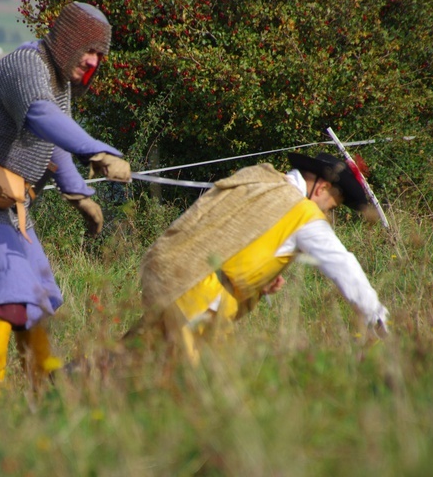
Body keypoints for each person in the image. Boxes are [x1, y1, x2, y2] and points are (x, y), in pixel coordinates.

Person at [0, 2, 131, 388]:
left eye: (100, 55)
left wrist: (79, 193)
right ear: (68, 41)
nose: (94, 62)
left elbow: (53, 142)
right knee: (5, 293)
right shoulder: (26, 65)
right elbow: (41, 118)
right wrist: (98, 151)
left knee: (32, 295)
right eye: (90, 50)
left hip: (8, 199)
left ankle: (45, 382)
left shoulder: (59, 80)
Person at [135, 152, 390, 361]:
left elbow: (230, 238)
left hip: (173, 285)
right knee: (199, 394)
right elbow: (341, 263)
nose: (327, 214)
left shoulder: (262, 183)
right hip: (204, 304)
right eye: (331, 206)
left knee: (137, 369)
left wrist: (259, 279)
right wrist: (375, 316)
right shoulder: (301, 212)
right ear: (322, 188)